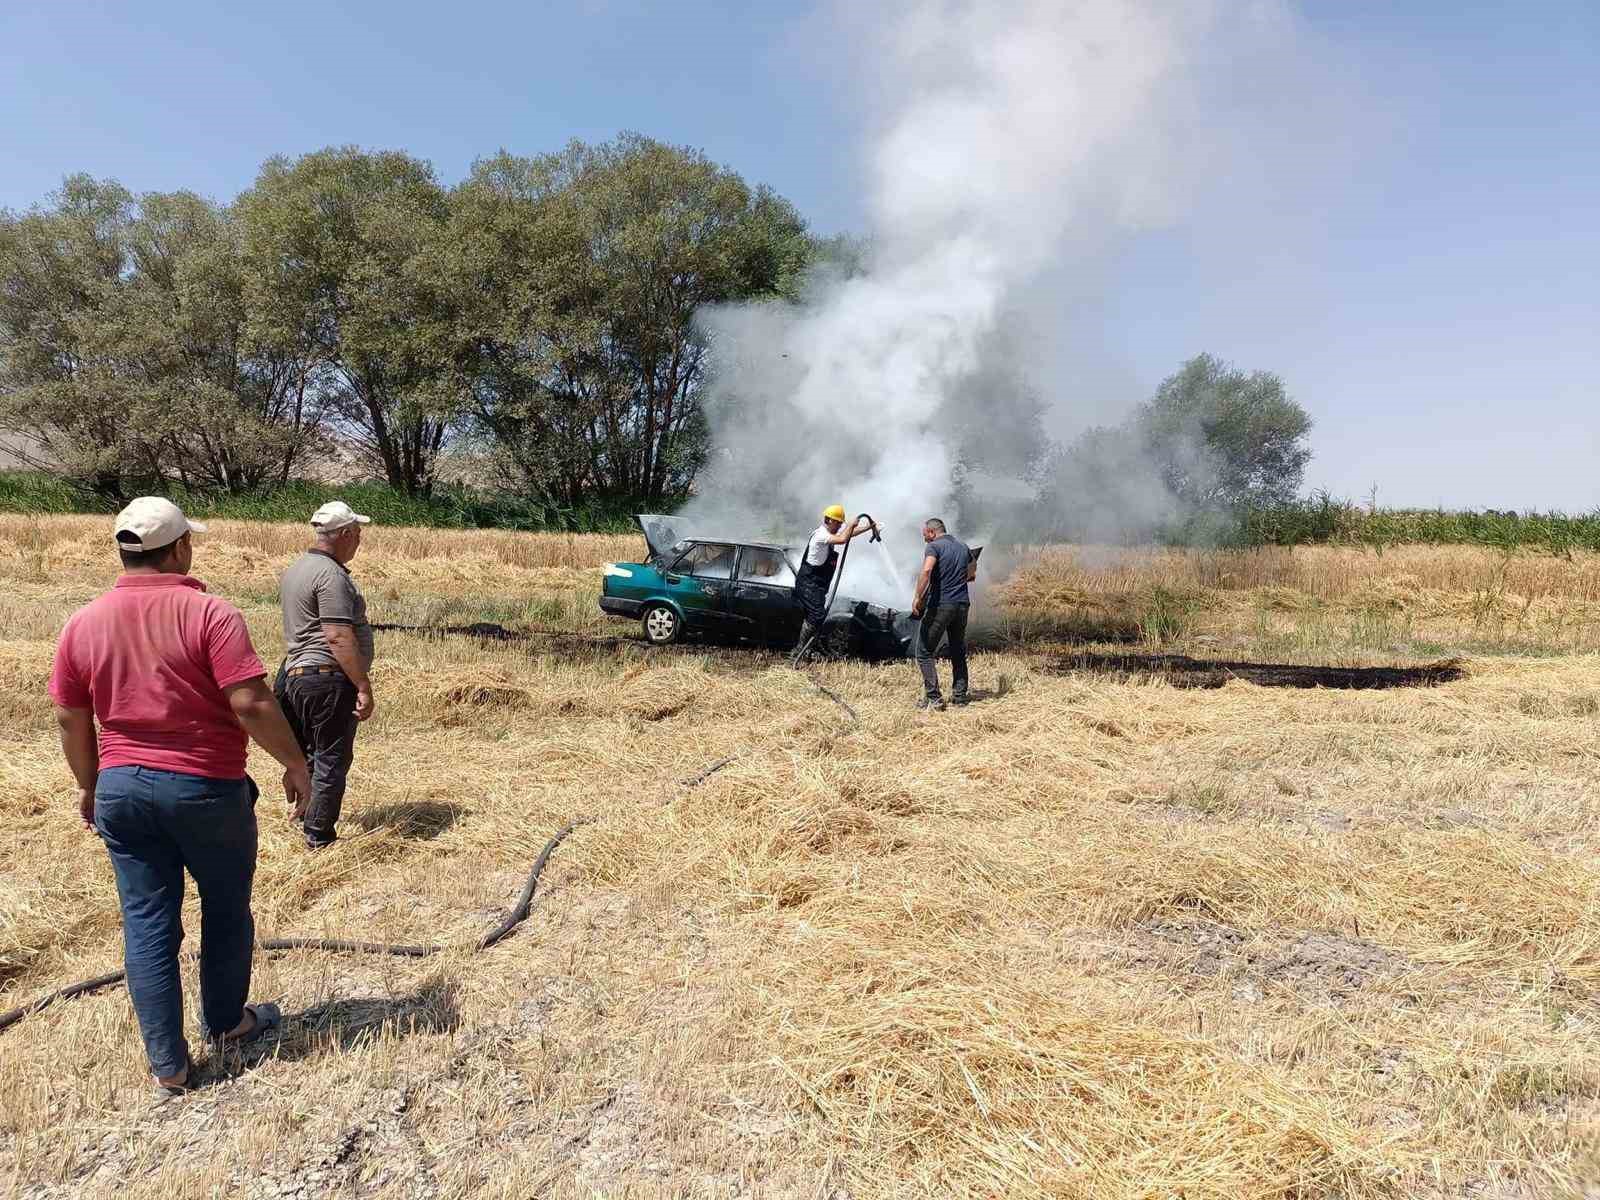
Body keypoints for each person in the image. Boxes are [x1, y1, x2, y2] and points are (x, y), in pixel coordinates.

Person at [49, 497, 312, 1095]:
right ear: (182, 548)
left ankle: (168, 1066)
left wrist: (89, 787)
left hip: (121, 789)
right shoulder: (210, 614)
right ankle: (227, 1023)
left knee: (146, 921)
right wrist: (296, 764)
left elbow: (70, 716)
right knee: (224, 909)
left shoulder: (83, 622)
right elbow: (250, 701)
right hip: (204, 789)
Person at [275, 500, 375, 850]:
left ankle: (306, 813)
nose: (360, 540)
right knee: (332, 758)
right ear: (344, 534)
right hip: (326, 677)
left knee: (312, 754)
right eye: (358, 534)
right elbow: (336, 635)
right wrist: (362, 684)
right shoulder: (330, 575)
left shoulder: (297, 569)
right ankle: (319, 838)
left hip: (296, 675)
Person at [792, 503, 879, 663]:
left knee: (816, 617)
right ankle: (798, 651)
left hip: (817, 584)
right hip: (808, 583)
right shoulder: (821, 535)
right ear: (830, 520)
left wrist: (868, 528)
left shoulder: (829, 532)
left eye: (841, 523)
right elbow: (843, 539)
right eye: (838, 522)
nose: (840, 525)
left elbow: (848, 534)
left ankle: (807, 651)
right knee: (817, 616)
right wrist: (851, 525)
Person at [910, 517, 976, 710]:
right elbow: (972, 573)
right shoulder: (963, 546)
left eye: (925, 537)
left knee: (923, 651)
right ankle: (960, 696)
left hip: (941, 605)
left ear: (932, 532)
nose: (925, 541)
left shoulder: (934, 547)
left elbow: (926, 571)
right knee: (957, 649)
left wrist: (918, 598)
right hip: (962, 604)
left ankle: (934, 699)